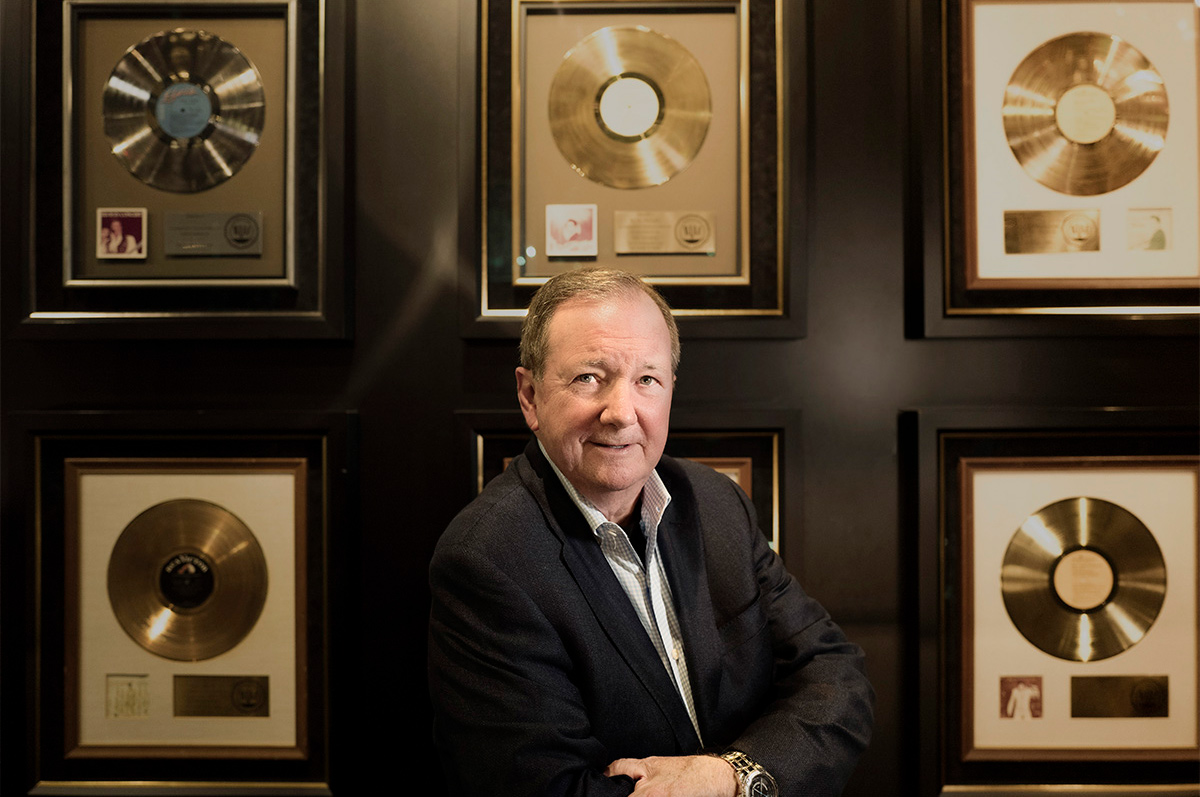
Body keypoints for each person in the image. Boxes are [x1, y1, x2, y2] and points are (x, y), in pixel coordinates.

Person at [428, 268, 874, 796]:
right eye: (588, 377)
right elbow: (549, 788)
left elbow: (836, 677)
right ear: (529, 396)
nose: (621, 413)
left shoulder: (715, 502)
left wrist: (728, 776)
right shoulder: (486, 561)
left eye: (647, 379)